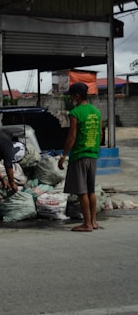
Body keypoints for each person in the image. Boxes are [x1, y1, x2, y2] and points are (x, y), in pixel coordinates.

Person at [58, 82, 102, 232]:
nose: (71, 97)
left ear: (77, 95)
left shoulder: (75, 113)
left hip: (79, 155)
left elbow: (72, 136)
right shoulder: (96, 112)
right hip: (93, 155)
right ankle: (94, 222)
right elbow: (100, 135)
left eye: (71, 95)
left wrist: (64, 155)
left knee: (82, 191)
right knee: (91, 191)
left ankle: (87, 224)